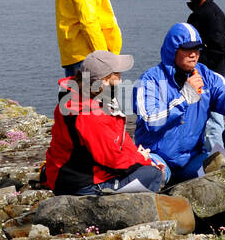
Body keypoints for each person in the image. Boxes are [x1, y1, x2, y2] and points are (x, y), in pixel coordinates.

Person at [134, 23, 225, 182]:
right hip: (157, 156)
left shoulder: (207, 76)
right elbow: (150, 120)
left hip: (192, 159)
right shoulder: (150, 80)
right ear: (172, 50)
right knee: (148, 174)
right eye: (187, 49)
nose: (194, 54)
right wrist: (185, 96)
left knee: (224, 169)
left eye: (197, 49)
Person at [43, 50, 166, 196]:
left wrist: (140, 157)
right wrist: (142, 160)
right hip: (80, 183)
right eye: (117, 74)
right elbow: (112, 159)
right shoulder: (90, 114)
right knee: (154, 175)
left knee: (149, 167)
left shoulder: (80, 97)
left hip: (68, 171)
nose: (121, 79)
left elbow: (117, 140)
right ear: (104, 80)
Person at [183, 0, 225, 153]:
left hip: (209, 77)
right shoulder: (199, 14)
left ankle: (219, 162)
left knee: (212, 122)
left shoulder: (212, 13)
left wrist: (198, 65)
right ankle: (208, 159)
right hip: (199, 77)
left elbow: (222, 47)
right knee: (202, 120)